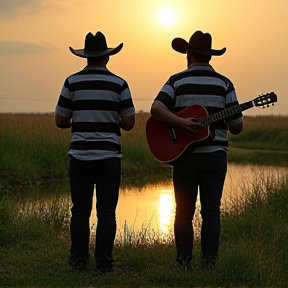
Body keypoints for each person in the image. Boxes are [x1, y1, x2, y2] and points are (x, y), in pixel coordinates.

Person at [149, 31, 243, 270]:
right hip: (215, 157)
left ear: (189, 54)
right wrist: (186, 122)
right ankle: (209, 264)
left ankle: (183, 262)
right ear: (210, 56)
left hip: (184, 159)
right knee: (212, 211)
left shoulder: (176, 81)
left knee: (183, 210)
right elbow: (237, 127)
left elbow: (156, 108)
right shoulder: (225, 83)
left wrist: (178, 123)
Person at [55, 31, 135, 273]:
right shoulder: (119, 84)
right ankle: (105, 263)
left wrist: (75, 122)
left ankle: (78, 260)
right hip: (109, 158)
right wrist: (114, 120)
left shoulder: (71, 82)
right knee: (106, 212)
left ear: (85, 57)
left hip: (79, 156)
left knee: (79, 211)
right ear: (107, 57)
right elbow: (129, 122)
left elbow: (60, 120)